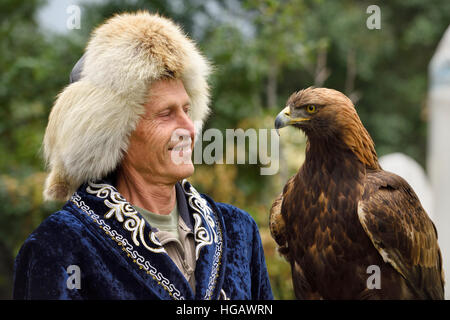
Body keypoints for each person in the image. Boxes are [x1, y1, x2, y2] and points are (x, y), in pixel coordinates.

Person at [13, 11, 273, 300]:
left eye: (187, 110)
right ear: (115, 133)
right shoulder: (59, 246)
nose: (189, 128)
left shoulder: (239, 231)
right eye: (166, 114)